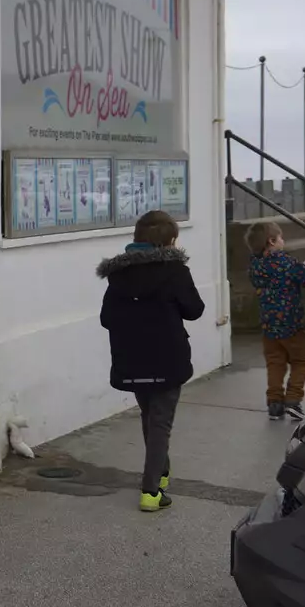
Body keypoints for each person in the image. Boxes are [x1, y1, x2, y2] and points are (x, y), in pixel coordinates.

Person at [97, 210, 206, 512]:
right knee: (160, 423)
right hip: (167, 359)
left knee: (151, 417)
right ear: (170, 242)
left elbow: (107, 319)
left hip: (131, 359)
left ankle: (162, 472)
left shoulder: (118, 276)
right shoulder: (175, 271)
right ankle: (151, 491)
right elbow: (194, 309)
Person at [246, 220, 305, 420]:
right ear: (272, 241)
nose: (283, 240)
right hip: (293, 324)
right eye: (280, 237)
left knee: (275, 363)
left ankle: (274, 403)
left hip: (269, 325)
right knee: (300, 361)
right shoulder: (286, 262)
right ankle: (293, 400)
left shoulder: (255, 265)